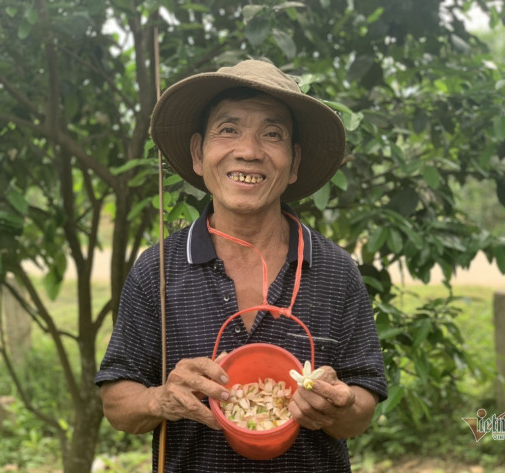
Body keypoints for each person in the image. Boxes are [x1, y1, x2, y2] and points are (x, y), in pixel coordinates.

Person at [96, 59, 388, 473]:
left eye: (272, 134)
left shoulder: (335, 270)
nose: (249, 152)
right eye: (228, 130)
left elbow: (362, 407)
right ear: (199, 153)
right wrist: (160, 398)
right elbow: (116, 403)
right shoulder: (158, 268)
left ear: (294, 161)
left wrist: (337, 406)